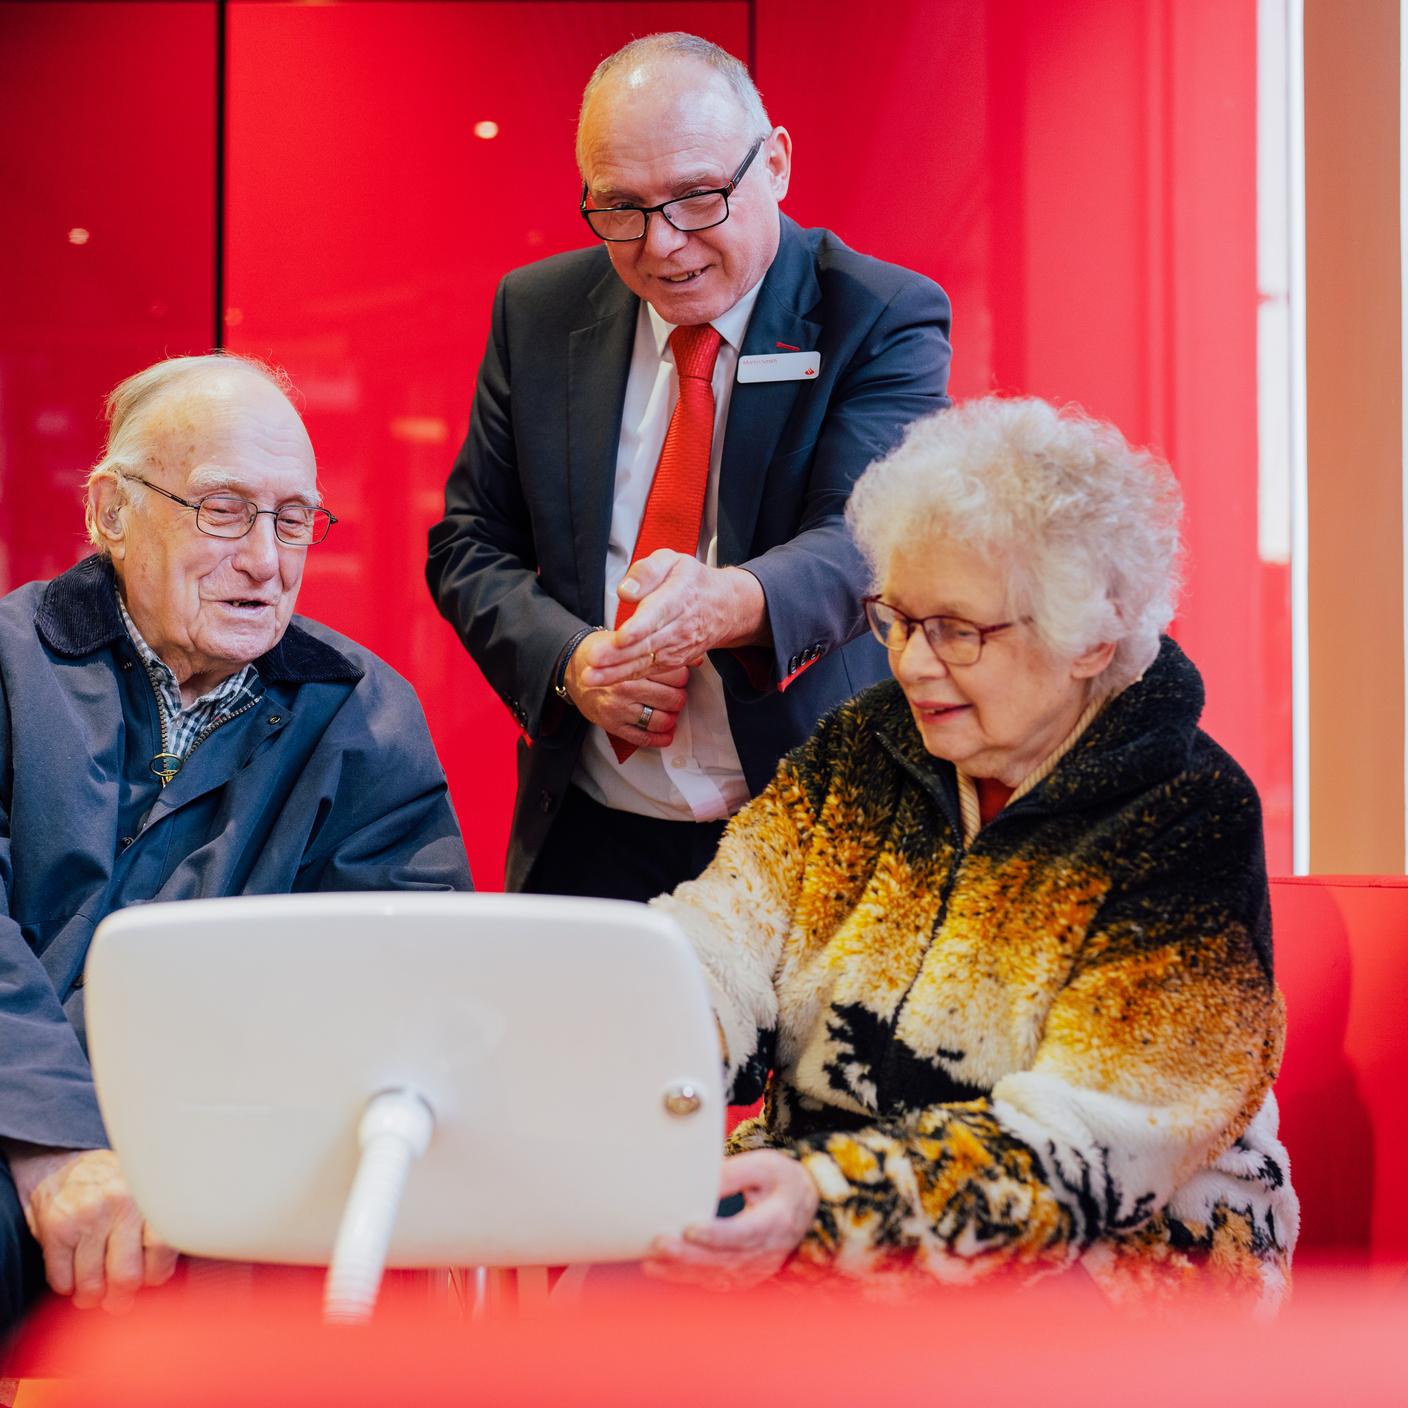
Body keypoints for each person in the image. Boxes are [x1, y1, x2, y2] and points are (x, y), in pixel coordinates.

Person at [643, 396, 1299, 1305]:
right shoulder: (864, 749)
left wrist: (832, 1202)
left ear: (1089, 639)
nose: (910, 663)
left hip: (1114, 1257)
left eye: (958, 630)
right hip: (815, 1225)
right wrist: (650, 1048)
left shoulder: (1187, 809)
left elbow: (1093, 1142)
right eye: (899, 619)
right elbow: (717, 943)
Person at [0, 354, 472, 1331]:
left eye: (293, 517)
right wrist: (52, 1142)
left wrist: (194, 1155)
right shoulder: (12, 661)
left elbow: (402, 985)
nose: (266, 557)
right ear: (112, 513)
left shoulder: (361, 710)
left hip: (241, 1146)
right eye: (222, 508)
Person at [427, 32, 952, 897]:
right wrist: (572, 662)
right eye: (620, 208)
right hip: (591, 827)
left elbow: (870, 543)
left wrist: (725, 604)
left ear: (775, 163)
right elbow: (470, 544)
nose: (663, 245)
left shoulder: (879, 313)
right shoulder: (539, 311)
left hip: (807, 827)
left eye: (698, 197)